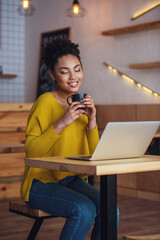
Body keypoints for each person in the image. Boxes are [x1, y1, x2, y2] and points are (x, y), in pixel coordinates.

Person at [20, 38, 118, 240]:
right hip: (40, 183)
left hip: (71, 180)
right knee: (84, 210)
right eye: (65, 71)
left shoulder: (83, 103)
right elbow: (31, 152)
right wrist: (62, 122)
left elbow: (95, 155)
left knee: (110, 210)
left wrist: (92, 120)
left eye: (77, 69)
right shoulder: (45, 102)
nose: (73, 76)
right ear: (53, 75)